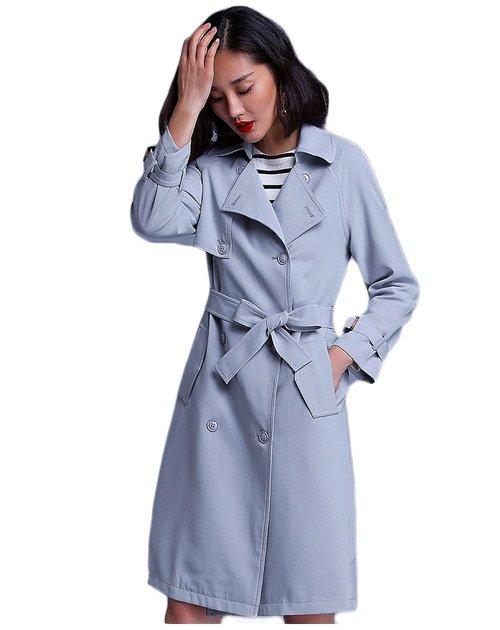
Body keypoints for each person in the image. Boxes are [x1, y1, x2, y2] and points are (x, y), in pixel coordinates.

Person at [130, 6, 420, 624]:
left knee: (309, 597)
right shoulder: (209, 172)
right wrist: (186, 108)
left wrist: (341, 356)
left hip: (304, 390)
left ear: (279, 69)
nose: (234, 109)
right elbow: (152, 219)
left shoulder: (343, 165)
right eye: (217, 98)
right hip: (221, 392)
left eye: (244, 86)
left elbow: (396, 285)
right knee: (191, 597)